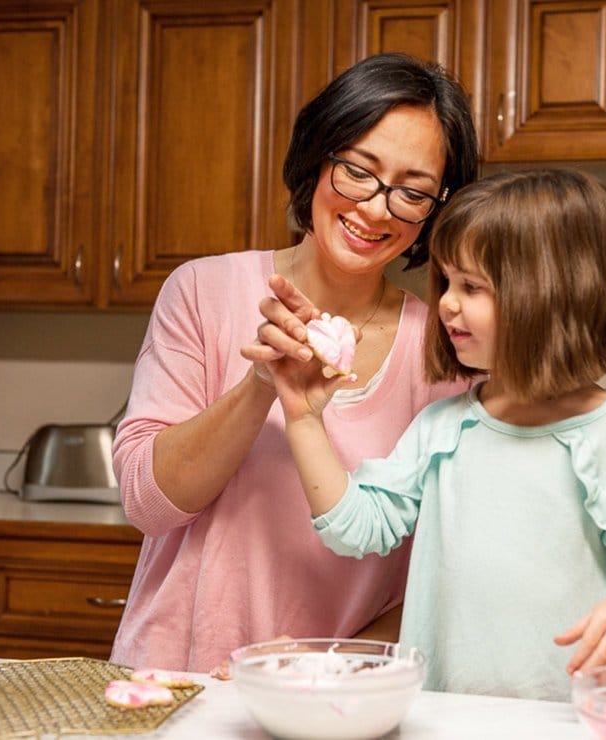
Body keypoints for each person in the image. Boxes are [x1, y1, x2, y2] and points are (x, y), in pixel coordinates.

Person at [262, 168, 606, 701]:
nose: (444, 302)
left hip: (564, 721)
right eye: (446, 281)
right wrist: (303, 419)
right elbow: (357, 529)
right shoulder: (445, 427)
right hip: (443, 715)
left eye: (471, 286)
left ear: (550, 296)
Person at [109, 52, 479, 673]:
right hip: (172, 681)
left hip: (334, 695)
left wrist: (310, 662)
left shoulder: (441, 348)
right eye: (358, 171)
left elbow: (441, 578)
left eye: (412, 192)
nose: (377, 207)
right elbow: (148, 504)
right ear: (317, 158)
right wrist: (262, 384)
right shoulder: (201, 292)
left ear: (434, 211)